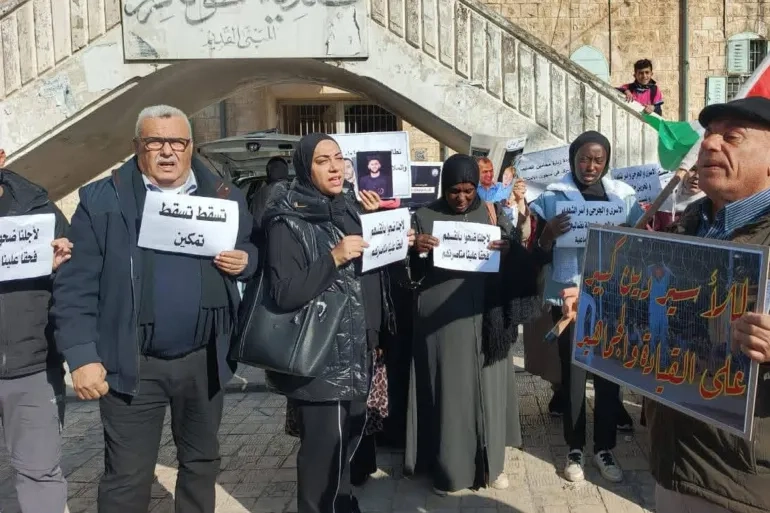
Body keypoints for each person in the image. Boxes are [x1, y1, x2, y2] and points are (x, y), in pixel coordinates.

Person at [51, 105, 258, 513]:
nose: (167, 151)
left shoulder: (223, 195)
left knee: (201, 463)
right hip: (131, 361)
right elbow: (75, 284)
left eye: (177, 142)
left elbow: (251, 245)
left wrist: (246, 260)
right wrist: (81, 355)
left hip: (204, 359)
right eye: (155, 142)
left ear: (190, 146)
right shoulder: (103, 200)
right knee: (127, 476)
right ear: (137, 147)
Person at [262, 133, 412, 513]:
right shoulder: (286, 220)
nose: (334, 167)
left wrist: (392, 237)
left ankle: (342, 503)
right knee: (323, 453)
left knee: (348, 441)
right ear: (304, 167)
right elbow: (284, 292)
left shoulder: (349, 209)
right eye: (322, 160)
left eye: (338, 158)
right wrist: (334, 257)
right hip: (320, 354)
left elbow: (370, 273)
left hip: (359, 345)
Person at [405, 154, 539, 495]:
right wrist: (416, 250)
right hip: (442, 323)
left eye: (468, 190)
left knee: (488, 392)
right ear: (443, 188)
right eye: (454, 191)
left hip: (488, 321)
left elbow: (517, 257)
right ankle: (450, 470)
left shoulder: (492, 213)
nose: (462, 198)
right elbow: (408, 275)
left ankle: (492, 465)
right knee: (450, 393)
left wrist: (508, 251)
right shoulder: (424, 216)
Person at [529, 130, 644, 484]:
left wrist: (631, 235)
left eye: (597, 160)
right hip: (570, 300)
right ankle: (575, 448)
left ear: (606, 162)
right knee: (574, 373)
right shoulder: (551, 199)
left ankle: (604, 448)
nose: (590, 166)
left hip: (611, 298)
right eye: (583, 159)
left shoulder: (624, 197)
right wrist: (547, 235)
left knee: (608, 374)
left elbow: (642, 245)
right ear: (572, 159)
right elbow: (534, 253)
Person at [0, 161, 72, 513]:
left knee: (39, 475)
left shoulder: (41, 212)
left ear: (0, 157)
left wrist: (61, 264)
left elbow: (74, 290)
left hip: (33, 368)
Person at [647, 166, 704, 231]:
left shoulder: (709, 206)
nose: (696, 176)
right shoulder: (662, 200)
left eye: (703, 171)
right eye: (693, 169)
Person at [250, 156, 290, 234]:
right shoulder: (292, 192)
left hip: (258, 236)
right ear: (286, 172)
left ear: (268, 173)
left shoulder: (257, 195)